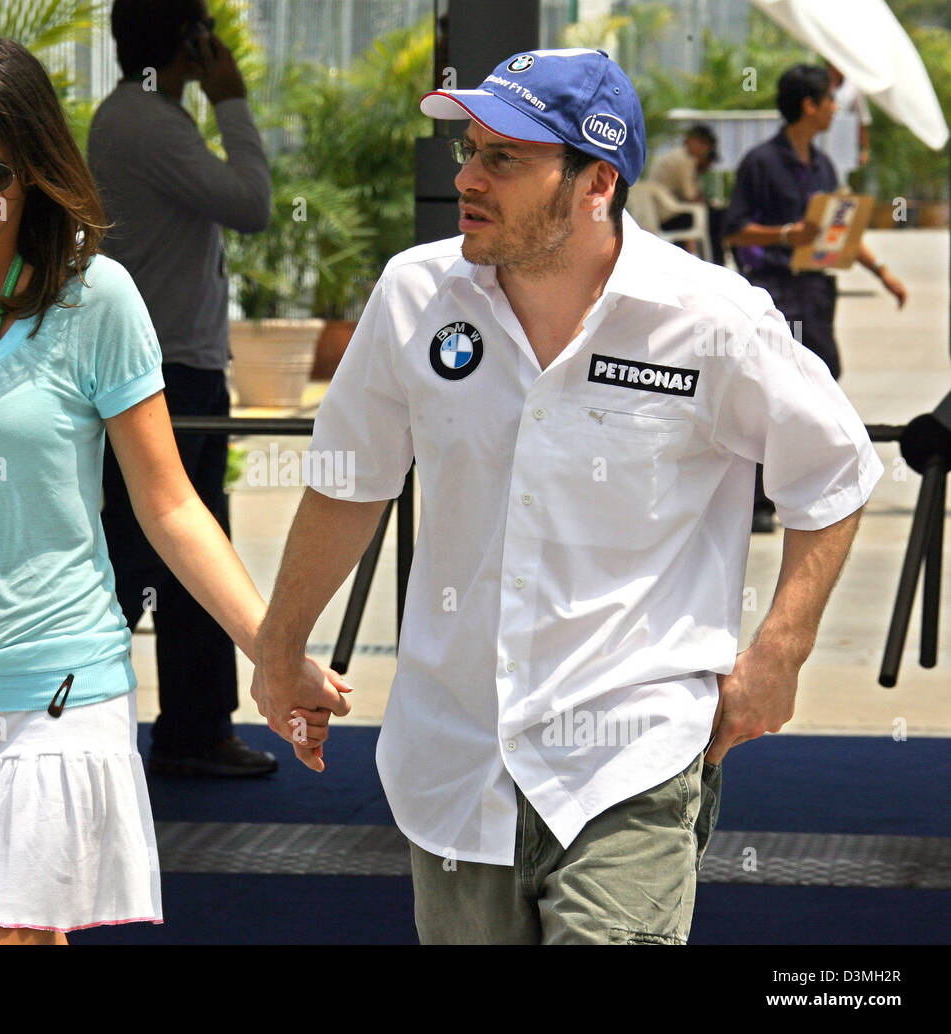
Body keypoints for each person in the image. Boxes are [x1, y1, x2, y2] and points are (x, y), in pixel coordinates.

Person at [250, 48, 882, 945]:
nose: (467, 177)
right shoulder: (415, 295)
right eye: (470, 150)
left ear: (597, 183)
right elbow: (349, 483)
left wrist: (781, 650)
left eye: (504, 158)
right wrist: (280, 649)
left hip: (631, 763)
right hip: (455, 764)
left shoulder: (712, 319)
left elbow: (835, 471)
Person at [0, 34, 345, 945]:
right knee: (21, 933)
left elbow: (170, 506)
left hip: (60, 686)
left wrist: (273, 648)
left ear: (34, 176)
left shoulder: (95, 301)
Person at [88, 0, 275, 777]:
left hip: (167, 364)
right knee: (166, 554)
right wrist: (230, 99)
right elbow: (253, 205)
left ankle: (188, 727)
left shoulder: (136, 116)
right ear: (190, 40)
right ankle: (184, 729)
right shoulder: (151, 124)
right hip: (170, 371)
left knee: (165, 555)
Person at [724, 64, 906, 531]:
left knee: (822, 377)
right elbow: (735, 231)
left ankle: (802, 484)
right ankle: (758, 499)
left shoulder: (823, 167)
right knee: (771, 390)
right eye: (828, 100)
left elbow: (840, 230)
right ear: (809, 106)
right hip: (775, 291)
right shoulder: (760, 163)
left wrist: (883, 272)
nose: (833, 108)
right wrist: (787, 234)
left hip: (817, 291)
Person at [647, 124, 721, 260]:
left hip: (662, 212)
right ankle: (716, 261)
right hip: (669, 215)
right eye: (704, 145)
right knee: (718, 218)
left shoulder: (677, 156)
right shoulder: (685, 159)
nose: (705, 150)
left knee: (712, 216)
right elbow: (690, 195)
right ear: (693, 141)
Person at [820, 61, 872, 182]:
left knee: (838, 180)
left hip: (841, 143)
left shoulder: (853, 86)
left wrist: (864, 149)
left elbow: (862, 119)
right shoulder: (818, 81)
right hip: (819, 139)